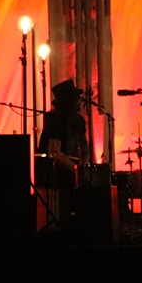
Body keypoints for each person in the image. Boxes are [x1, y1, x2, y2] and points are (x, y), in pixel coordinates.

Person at [38, 79, 89, 223]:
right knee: (63, 210)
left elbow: (85, 147)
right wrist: (74, 168)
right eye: (76, 98)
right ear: (69, 101)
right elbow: (54, 152)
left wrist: (83, 166)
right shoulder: (55, 120)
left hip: (73, 172)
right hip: (57, 175)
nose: (79, 101)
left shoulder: (78, 120)